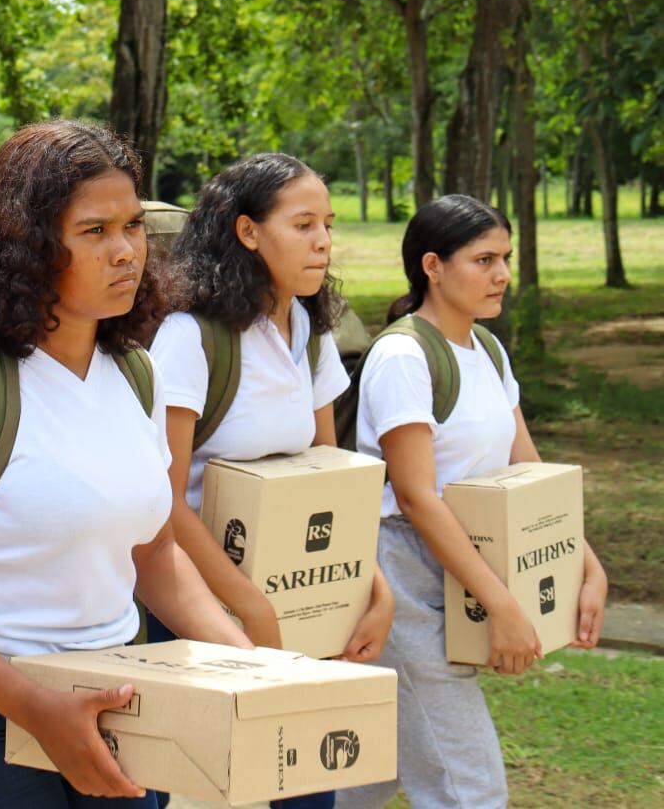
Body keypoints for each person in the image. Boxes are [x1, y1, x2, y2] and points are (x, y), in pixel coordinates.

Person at [0, 120, 249, 808]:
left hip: (121, 697)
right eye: (94, 232)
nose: (126, 251)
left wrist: (244, 661)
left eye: (132, 226)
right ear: (26, 247)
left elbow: (154, 557)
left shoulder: (137, 377)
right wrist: (34, 706)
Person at [338, 196, 608, 809]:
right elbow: (415, 496)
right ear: (432, 265)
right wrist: (502, 602)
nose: (502, 274)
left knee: (370, 771)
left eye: (505, 258)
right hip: (403, 575)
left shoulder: (486, 349)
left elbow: (528, 469)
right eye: (484, 259)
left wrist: (587, 567)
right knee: (469, 787)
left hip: (461, 565)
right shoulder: (403, 357)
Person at [147, 153, 395, 809]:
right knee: (194, 788)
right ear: (249, 232)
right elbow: (162, 503)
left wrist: (373, 587)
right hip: (190, 609)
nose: (323, 241)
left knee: (305, 786)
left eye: (329, 225)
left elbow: (329, 480)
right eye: (304, 223)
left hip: (295, 596)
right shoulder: (190, 339)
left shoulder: (308, 331)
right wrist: (248, 608)